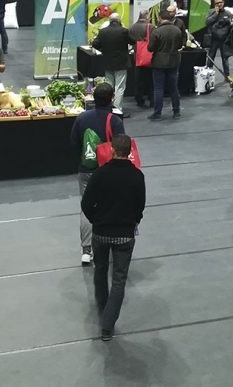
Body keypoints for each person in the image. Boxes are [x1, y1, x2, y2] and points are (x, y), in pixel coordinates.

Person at [81, 134, 145, 341]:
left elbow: (86, 204)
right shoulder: (137, 176)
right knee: (119, 279)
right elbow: (140, 206)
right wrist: (133, 221)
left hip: (101, 233)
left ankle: (102, 309)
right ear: (130, 153)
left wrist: (95, 220)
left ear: (112, 150)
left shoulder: (100, 174)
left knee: (100, 272)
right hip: (124, 236)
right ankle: (107, 325)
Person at [71, 83, 125, 266]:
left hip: (86, 170)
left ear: (93, 98)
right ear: (112, 99)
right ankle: (109, 242)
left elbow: (74, 143)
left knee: (86, 207)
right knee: (111, 204)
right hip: (108, 171)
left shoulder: (81, 118)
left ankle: (86, 250)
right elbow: (122, 149)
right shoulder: (115, 120)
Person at [147, 7, 184, 120]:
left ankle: (157, 113)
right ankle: (176, 111)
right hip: (174, 61)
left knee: (158, 88)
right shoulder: (177, 30)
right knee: (174, 87)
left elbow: (150, 48)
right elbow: (179, 45)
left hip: (159, 62)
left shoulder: (157, 31)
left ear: (160, 18)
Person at [91, 14, 132, 112]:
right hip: (121, 63)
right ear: (119, 21)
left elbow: (95, 44)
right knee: (120, 87)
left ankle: (107, 108)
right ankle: (117, 109)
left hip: (107, 63)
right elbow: (132, 41)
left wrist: (103, 49)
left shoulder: (103, 31)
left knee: (109, 87)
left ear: (110, 20)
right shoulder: (124, 31)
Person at [204, 0, 233, 86]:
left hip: (224, 40)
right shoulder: (211, 12)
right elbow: (207, 22)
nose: (219, 4)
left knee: (225, 59)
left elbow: (231, 25)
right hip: (213, 39)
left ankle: (227, 76)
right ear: (214, 4)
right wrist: (215, 14)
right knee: (210, 58)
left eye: (220, 2)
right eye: (217, 3)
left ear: (223, 2)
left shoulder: (228, 13)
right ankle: (208, 74)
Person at [128, 12, 152, 108]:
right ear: (146, 16)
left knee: (138, 79)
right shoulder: (150, 27)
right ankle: (151, 99)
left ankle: (139, 99)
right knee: (150, 79)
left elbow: (130, 40)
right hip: (148, 57)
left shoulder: (132, 27)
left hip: (137, 56)